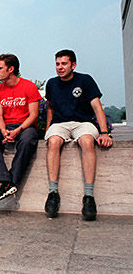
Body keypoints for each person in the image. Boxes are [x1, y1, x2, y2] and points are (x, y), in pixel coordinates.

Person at [44, 49, 113, 221]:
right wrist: (47, 129)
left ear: (73, 65)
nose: (60, 67)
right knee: (53, 142)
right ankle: (53, 193)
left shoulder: (85, 80)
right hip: (60, 124)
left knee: (88, 142)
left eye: (64, 64)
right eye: (57, 64)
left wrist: (104, 133)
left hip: (83, 123)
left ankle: (88, 197)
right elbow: (50, 108)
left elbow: (97, 107)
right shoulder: (52, 83)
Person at [0, 54, 42, 202]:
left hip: (25, 126)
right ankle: (1, 180)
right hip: (7, 126)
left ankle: (11, 182)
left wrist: (18, 131)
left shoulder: (29, 86)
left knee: (28, 139)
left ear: (11, 69)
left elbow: (34, 115)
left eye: (0, 68)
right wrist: (3, 130)